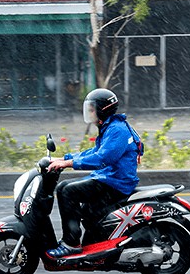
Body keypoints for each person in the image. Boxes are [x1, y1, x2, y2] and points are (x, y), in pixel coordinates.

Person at [46, 88, 143, 258]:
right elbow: (94, 152)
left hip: (116, 183)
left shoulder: (117, 130)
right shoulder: (111, 127)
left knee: (67, 190)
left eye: (92, 108)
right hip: (110, 178)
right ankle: (96, 242)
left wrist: (68, 163)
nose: (89, 112)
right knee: (72, 194)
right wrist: (64, 159)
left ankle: (71, 243)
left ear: (102, 109)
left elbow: (101, 158)